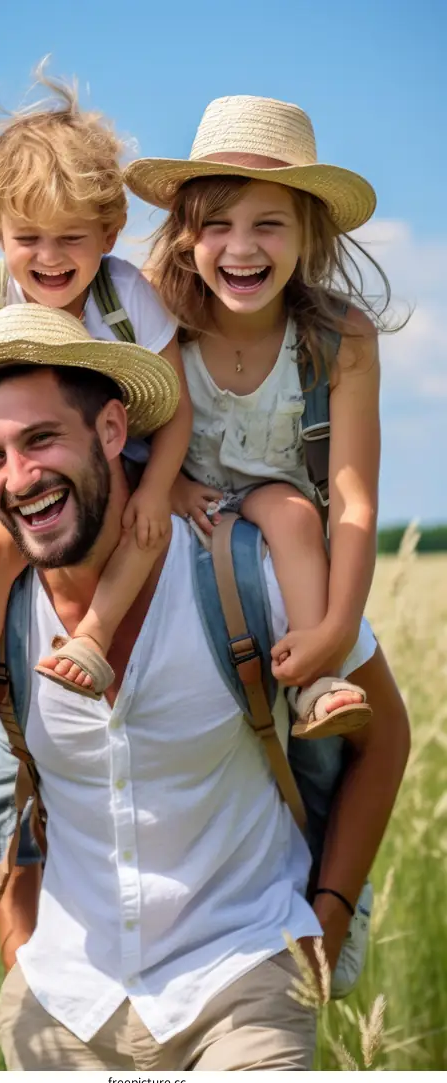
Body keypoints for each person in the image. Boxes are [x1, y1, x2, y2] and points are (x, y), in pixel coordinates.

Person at [0, 306, 409, 1071]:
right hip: (62, 1000)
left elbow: (384, 735)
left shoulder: (251, 574)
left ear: (111, 429)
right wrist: (16, 930)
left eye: (41, 439)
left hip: (246, 974)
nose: (19, 478)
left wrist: (328, 919)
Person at [0, 63, 192, 777]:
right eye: (28, 239)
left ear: (110, 233)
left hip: (117, 467)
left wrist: (156, 489)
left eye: (70, 238)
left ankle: (94, 637)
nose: (49, 258)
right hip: (21, 487)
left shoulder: (127, 297)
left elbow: (174, 408)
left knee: (143, 531)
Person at [119, 94, 402, 740]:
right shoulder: (157, 312)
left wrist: (338, 629)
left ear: (308, 233)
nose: (240, 248)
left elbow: (354, 500)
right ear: (187, 234)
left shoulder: (341, 338)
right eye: (217, 224)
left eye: (268, 224)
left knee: (294, 515)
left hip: (279, 515)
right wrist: (169, 486)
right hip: (175, 505)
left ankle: (315, 682)